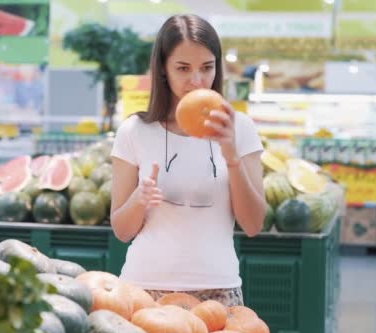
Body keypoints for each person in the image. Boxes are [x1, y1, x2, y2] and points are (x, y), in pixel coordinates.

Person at [110, 14, 267, 307]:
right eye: (183, 68)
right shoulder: (134, 131)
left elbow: (253, 224)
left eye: (206, 68)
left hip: (218, 293)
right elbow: (121, 230)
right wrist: (139, 198)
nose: (196, 81)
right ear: (163, 70)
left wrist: (232, 157)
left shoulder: (240, 128)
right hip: (143, 290)